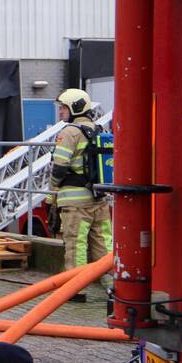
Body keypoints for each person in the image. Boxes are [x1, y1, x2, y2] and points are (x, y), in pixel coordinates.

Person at [48, 88, 113, 290]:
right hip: (99, 199)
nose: (60, 112)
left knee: (76, 245)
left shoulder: (69, 133)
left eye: (63, 108)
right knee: (104, 244)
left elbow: (59, 167)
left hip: (75, 204)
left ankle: (75, 290)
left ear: (75, 108)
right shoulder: (99, 130)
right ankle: (113, 287)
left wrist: (52, 195)